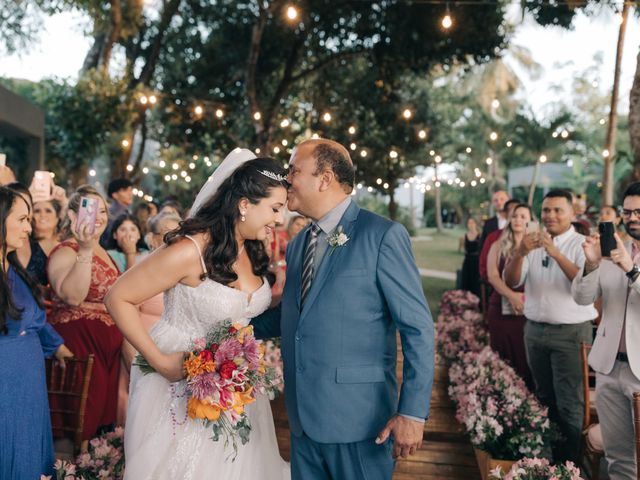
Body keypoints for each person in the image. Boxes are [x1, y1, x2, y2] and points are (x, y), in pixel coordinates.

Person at [251, 139, 434, 480]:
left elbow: (418, 328)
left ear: (325, 178)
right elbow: (294, 315)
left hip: (360, 423)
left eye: (293, 170)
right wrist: (231, 325)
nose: (286, 179)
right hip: (303, 421)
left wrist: (413, 412)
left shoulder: (382, 236)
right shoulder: (300, 244)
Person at [105, 152, 290, 479]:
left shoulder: (250, 248)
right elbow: (118, 297)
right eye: (275, 209)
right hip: (178, 383)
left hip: (236, 389)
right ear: (245, 204)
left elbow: (244, 311)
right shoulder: (190, 251)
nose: (280, 219)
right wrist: (160, 361)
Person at [504, 189, 597, 463]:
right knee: (543, 399)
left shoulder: (583, 244)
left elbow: (582, 286)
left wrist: (555, 253)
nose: (551, 215)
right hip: (535, 330)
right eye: (546, 210)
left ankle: (569, 466)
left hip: (571, 334)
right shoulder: (531, 243)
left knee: (569, 403)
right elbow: (511, 281)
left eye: (558, 210)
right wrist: (520, 252)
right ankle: (545, 461)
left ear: (572, 213)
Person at [0, 186, 73, 479]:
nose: (28, 228)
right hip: (6, 380)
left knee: (28, 448)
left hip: (28, 377)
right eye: (21, 219)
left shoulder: (13, 267)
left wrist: (57, 345)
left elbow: (36, 319)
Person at [572, 182, 640, 480]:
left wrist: (631, 269)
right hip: (609, 368)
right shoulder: (614, 250)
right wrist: (590, 264)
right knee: (618, 458)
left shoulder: (623, 258)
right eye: (628, 212)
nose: (632, 217)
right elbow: (582, 298)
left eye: (639, 211)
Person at [47, 185, 123, 445]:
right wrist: (85, 249)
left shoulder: (109, 254)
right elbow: (72, 296)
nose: (98, 217)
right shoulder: (66, 250)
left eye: (102, 210)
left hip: (108, 355)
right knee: (78, 427)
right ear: (72, 216)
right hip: (80, 351)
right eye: (90, 211)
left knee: (99, 433)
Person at [486, 203, 533, 388]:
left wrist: (525, 299)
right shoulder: (497, 245)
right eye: (514, 216)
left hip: (529, 308)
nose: (518, 220)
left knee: (525, 358)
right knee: (503, 358)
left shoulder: (538, 246)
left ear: (530, 220)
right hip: (501, 308)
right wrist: (512, 296)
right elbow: (492, 275)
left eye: (523, 216)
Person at [101, 178, 133, 247]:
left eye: (131, 190)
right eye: (125, 190)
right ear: (115, 195)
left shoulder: (127, 211)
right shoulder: (112, 214)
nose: (130, 193)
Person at [459, 217, 481, 297]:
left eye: (472, 223)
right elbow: (463, 249)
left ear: (476, 224)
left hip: (476, 261)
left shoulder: (480, 236)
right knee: (466, 280)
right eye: (469, 223)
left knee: (475, 280)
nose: (470, 225)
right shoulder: (464, 236)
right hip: (467, 261)